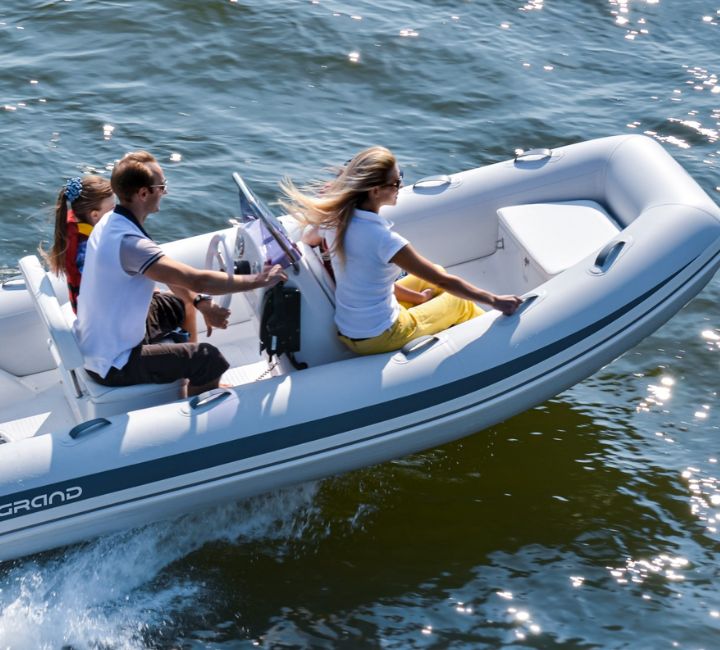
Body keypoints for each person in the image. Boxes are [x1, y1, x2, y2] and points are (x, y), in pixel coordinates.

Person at [74, 150, 287, 396]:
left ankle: (185, 376)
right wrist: (259, 280)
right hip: (114, 363)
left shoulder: (111, 221)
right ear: (143, 193)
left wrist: (201, 303)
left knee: (176, 304)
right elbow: (196, 279)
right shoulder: (129, 243)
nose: (166, 192)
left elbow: (171, 276)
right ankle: (195, 399)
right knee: (208, 359)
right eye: (162, 186)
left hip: (100, 339)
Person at [281, 146, 522, 355]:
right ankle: (498, 348)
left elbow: (311, 240)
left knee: (434, 273)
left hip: (352, 328)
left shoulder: (335, 222)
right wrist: (495, 300)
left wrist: (420, 299)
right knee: (458, 302)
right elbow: (443, 281)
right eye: (396, 183)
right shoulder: (383, 240)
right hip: (379, 334)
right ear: (375, 191)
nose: (401, 186)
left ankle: (442, 320)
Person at [42, 175, 114, 313]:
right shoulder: (85, 248)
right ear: (95, 215)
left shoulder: (81, 231)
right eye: (112, 208)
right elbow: (101, 281)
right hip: (96, 314)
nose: (117, 212)